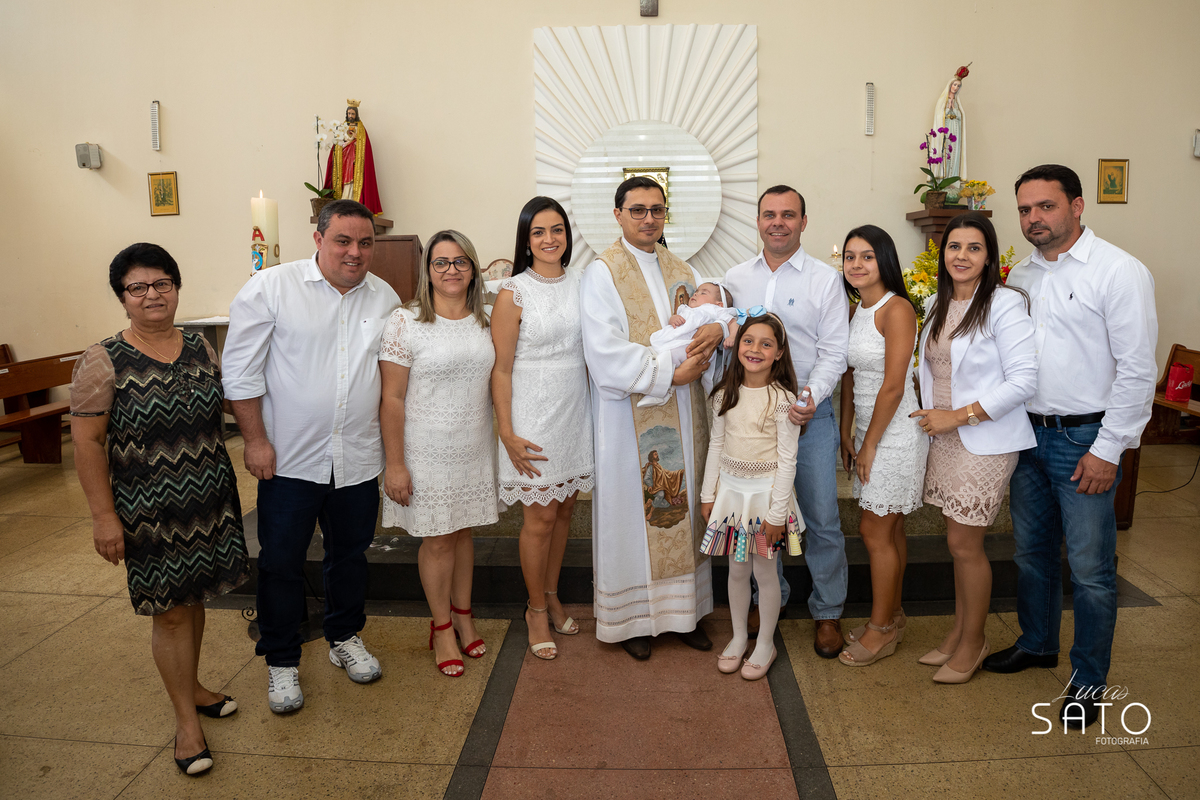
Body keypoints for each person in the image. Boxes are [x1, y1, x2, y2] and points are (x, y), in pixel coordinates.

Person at [982, 165, 1158, 727]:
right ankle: (1037, 643)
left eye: (1045, 207)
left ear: (1077, 206)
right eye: (1025, 209)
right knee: (1032, 554)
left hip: (1085, 436)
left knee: (1090, 569)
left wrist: (1110, 450)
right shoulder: (1022, 276)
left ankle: (1088, 681)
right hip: (1027, 435)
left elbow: (1136, 371)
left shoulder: (1119, 272)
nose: (1034, 218)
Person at [72, 243, 250, 776]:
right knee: (169, 612)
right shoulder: (103, 359)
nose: (152, 295)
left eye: (161, 284)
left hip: (209, 499)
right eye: (138, 287)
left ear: (176, 288)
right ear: (123, 297)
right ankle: (185, 723)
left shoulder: (199, 347)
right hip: (149, 509)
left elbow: (229, 404)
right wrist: (104, 518)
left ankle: (193, 686)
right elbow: (87, 444)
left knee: (196, 600)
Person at [223, 199, 399, 713]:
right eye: (343, 240)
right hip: (290, 461)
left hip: (358, 459)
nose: (355, 252)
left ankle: (344, 637)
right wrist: (255, 441)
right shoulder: (272, 288)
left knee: (349, 555)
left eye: (365, 243)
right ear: (318, 239)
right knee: (280, 562)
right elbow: (241, 374)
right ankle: (281, 660)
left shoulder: (384, 298)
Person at [580, 176, 726, 660]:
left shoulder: (681, 269)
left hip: (684, 415)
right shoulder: (602, 272)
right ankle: (632, 622)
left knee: (679, 519)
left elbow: (709, 327)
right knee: (631, 515)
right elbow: (603, 353)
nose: (648, 218)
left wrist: (708, 347)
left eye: (657, 210)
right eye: (638, 210)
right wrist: (671, 370)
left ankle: (683, 616)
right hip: (629, 418)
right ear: (618, 214)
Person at [722, 185, 850, 658]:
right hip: (753, 421)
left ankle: (828, 611)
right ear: (757, 220)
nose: (778, 222)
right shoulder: (735, 278)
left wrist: (810, 399)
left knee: (820, 517)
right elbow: (727, 343)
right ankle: (765, 599)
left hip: (808, 415)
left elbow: (834, 350)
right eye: (769, 214)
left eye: (788, 215)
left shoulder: (823, 279)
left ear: (803, 221)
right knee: (759, 512)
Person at [910, 212, 1037, 683]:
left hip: (983, 438)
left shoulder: (1004, 305)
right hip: (943, 439)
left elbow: (1024, 380)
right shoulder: (936, 301)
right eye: (954, 247)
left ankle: (974, 641)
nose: (961, 256)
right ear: (942, 254)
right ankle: (959, 631)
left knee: (967, 545)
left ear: (989, 257)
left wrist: (959, 416)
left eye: (974, 248)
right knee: (955, 542)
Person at [379, 230, 497, 676]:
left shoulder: (485, 319)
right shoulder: (405, 321)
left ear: (474, 268)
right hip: (425, 449)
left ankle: (465, 618)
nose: (452, 270)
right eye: (441, 262)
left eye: (461, 261)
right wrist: (395, 464)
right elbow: (391, 398)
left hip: (472, 445)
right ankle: (442, 626)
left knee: (464, 533)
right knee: (440, 538)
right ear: (427, 269)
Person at [491, 197, 594, 660]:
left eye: (557, 230)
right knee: (541, 517)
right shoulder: (513, 292)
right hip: (533, 413)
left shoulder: (586, 282)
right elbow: (501, 369)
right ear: (525, 239)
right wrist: (507, 432)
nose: (549, 239)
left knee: (567, 510)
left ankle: (552, 594)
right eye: (538, 232)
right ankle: (534, 608)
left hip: (576, 409)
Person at [836, 225, 926, 667]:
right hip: (869, 430)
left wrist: (870, 444)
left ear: (884, 260)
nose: (856, 264)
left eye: (866, 256)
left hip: (895, 431)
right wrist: (846, 431)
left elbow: (893, 385)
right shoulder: (855, 309)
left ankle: (881, 630)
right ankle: (894, 613)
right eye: (850, 257)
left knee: (874, 531)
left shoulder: (897, 310)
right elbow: (850, 378)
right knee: (889, 529)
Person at [700, 313, 803, 680]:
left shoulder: (782, 400)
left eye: (766, 343)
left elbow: (788, 461)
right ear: (737, 346)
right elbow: (716, 445)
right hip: (731, 498)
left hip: (764, 500)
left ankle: (765, 643)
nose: (755, 349)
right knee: (736, 569)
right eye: (748, 340)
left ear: (778, 353)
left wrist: (777, 514)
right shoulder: (725, 393)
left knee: (765, 571)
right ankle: (740, 635)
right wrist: (707, 494)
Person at [638, 282, 738, 406]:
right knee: (656, 355)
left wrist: (732, 336)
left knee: (671, 357)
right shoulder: (685, 309)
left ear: (719, 304)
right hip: (677, 341)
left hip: (693, 346)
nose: (696, 293)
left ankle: (662, 393)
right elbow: (675, 319)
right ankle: (660, 390)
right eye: (697, 291)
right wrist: (673, 319)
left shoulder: (714, 309)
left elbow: (732, 322)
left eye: (703, 292)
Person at [323, 100, 382, 215]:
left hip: (354, 159)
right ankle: (343, 200)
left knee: (353, 179)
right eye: (349, 114)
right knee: (344, 179)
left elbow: (363, 145)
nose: (350, 116)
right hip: (344, 158)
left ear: (356, 115)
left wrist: (355, 140)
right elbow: (338, 142)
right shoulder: (342, 126)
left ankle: (353, 201)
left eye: (352, 114)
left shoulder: (360, 128)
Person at [934, 65, 969, 182]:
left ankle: (953, 179)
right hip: (946, 129)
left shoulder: (957, 102)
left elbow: (960, 116)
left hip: (955, 131)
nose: (956, 87)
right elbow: (939, 116)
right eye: (954, 85)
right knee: (945, 152)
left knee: (954, 153)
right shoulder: (942, 100)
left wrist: (955, 110)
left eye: (958, 86)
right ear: (950, 85)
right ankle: (943, 180)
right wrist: (948, 110)